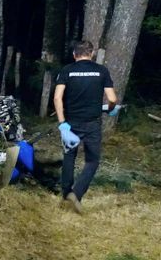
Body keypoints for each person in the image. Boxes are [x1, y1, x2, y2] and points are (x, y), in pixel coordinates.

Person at [53, 40, 119, 214]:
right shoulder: (101, 71)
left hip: (71, 122)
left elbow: (57, 98)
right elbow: (112, 99)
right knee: (92, 160)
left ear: (75, 54)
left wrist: (62, 124)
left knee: (69, 157)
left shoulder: (67, 70)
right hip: (92, 123)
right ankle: (77, 193)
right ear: (91, 53)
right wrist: (110, 109)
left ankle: (66, 194)